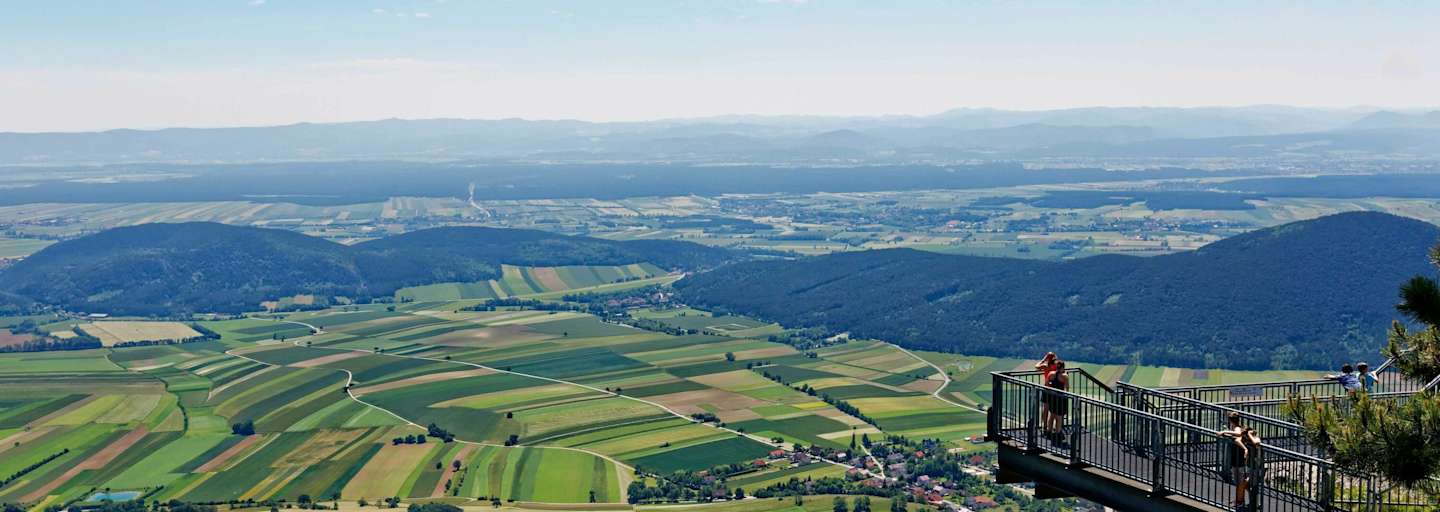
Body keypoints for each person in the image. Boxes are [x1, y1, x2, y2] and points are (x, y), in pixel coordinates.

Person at [1219, 412, 1262, 512]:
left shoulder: (1251, 436)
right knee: (1245, 484)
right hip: (1249, 464)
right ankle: (1246, 501)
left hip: (1255, 465)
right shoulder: (1243, 435)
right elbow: (1238, 439)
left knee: (1244, 484)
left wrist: (1250, 435)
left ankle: (1242, 502)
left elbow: (1256, 442)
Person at [1042, 360, 1070, 443]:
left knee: (1052, 416)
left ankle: (1049, 432)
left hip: (1052, 397)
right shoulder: (1064, 376)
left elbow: (1046, 385)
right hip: (1060, 398)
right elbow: (1067, 388)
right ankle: (1057, 434)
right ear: (1063, 368)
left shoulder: (1051, 374)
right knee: (1059, 417)